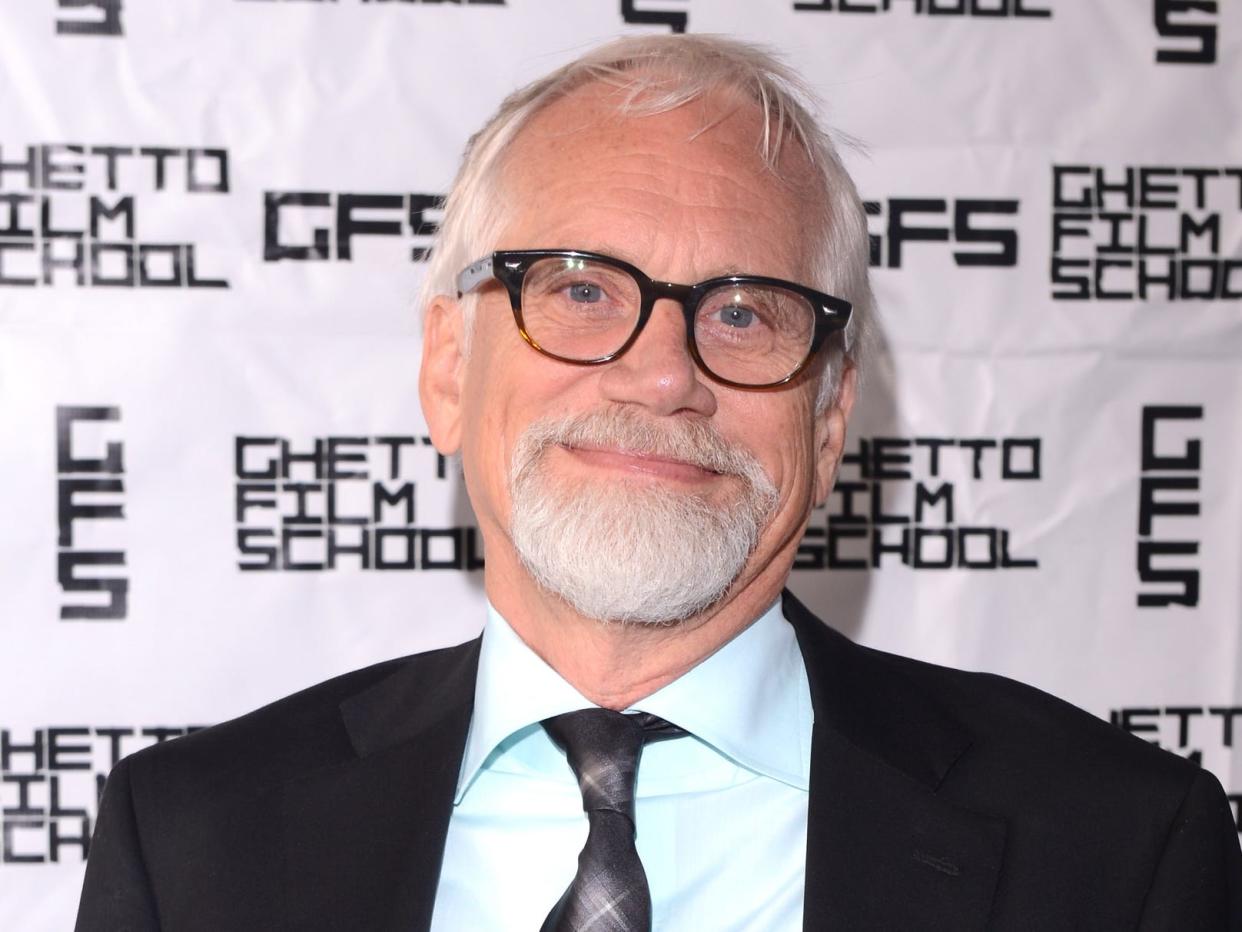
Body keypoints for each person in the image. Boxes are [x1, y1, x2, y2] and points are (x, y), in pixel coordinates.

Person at [76, 34, 1240, 932]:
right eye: (580, 288)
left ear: (830, 418)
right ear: (447, 369)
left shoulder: (1115, 848)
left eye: (744, 312)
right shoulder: (193, 840)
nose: (660, 371)